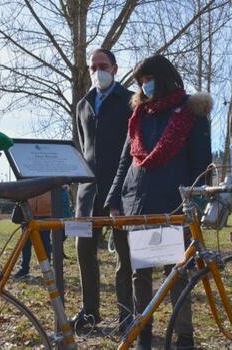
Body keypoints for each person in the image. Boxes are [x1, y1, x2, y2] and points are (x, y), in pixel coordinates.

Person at [105, 54, 212, 349]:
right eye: (141, 81)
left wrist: (198, 202)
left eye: (149, 79)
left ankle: (184, 338)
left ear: (163, 77)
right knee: (141, 274)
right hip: (137, 203)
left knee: (177, 275)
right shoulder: (138, 115)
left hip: (173, 206)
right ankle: (143, 336)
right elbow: (125, 161)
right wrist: (114, 198)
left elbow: (201, 164)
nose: (144, 85)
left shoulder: (191, 111)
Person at [72, 48, 135, 332]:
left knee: (125, 255)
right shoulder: (83, 105)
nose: (98, 71)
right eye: (93, 67)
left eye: (104, 65)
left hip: (120, 192)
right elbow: (84, 147)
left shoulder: (131, 101)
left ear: (115, 68)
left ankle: (126, 314)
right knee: (83, 249)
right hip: (88, 193)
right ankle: (90, 312)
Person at [13, 192, 53, 279]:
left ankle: (47, 269)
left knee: (45, 244)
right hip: (27, 214)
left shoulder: (47, 179)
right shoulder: (26, 179)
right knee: (25, 244)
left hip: (45, 215)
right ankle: (24, 269)